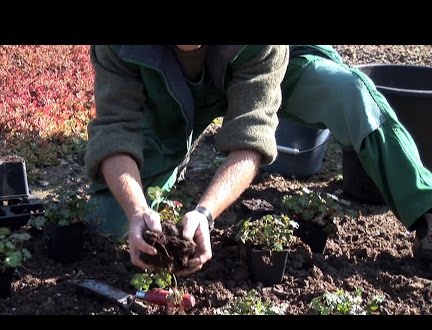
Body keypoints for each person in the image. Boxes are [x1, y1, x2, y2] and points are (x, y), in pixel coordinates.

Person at [85, 45, 432, 275]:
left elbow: (251, 136)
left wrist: (205, 212)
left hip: (267, 64)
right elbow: (116, 129)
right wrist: (136, 210)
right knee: (111, 221)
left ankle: (425, 206)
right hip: (168, 86)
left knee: (350, 93)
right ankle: (171, 159)